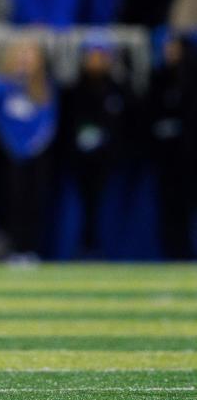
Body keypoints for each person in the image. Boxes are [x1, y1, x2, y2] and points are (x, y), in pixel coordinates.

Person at [60, 32, 134, 257]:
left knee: (106, 205)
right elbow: (67, 125)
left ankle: (105, 249)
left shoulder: (118, 89)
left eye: (100, 55)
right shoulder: (74, 90)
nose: (96, 60)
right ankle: (83, 247)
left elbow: (127, 126)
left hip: (108, 160)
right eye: (92, 55)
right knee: (81, 205)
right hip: (79, 160)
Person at [0, 38, 58, 259]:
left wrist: (33, 145)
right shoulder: (2, 85)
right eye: (22, 54)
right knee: (10, 200)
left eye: (30, 55)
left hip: (36, 154)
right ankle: (12, 248)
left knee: (34, 202)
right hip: (8, 153)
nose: (25, 59)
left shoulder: (44, 86)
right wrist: (12, 144)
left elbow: (48, 121)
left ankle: (29, 249)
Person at [146, 28, 195, 259]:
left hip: (190, 158)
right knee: (169, 208)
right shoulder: (160, 78)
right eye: (167, 48)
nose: (170, 53)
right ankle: (174, 252)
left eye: (174, 48)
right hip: (167, 159)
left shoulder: (191, 81)